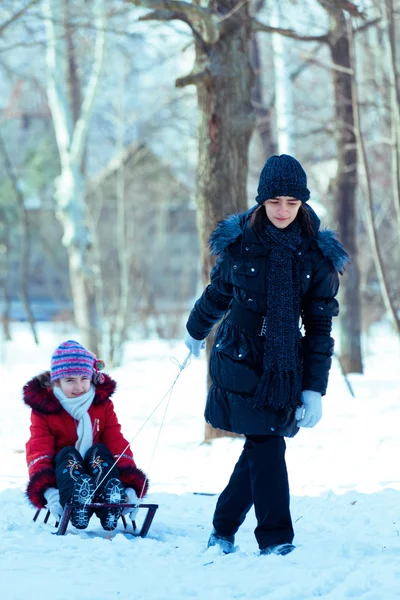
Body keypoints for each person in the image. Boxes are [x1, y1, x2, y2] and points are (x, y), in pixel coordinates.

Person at [184, 154, 348, 556]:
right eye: (275, 201)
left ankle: (222, 527)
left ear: (303, 203)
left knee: (261, 444)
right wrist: (195, 330)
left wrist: (313, 388)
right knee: (268, 444)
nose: (283, 211)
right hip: (238, 354)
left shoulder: (317, 256)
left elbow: (320, 327)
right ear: (261, 201)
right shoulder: (241, 243)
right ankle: (276, 539)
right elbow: (219, 294)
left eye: (292, 203)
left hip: (284, 363)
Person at [24, 339, 149, 531]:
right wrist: (48, 491)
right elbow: (38, 447)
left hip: (97, 470)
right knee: (68, 454)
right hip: (63, 476)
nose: (79, 386)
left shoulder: (101, 404)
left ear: (91, 376)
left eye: (84, 378)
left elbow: (116, 442)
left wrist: (130, 486)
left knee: (99, 450)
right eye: (70, 380)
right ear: (56, 381)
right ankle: (76, 504)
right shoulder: (44, 409)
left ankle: (111, 503)